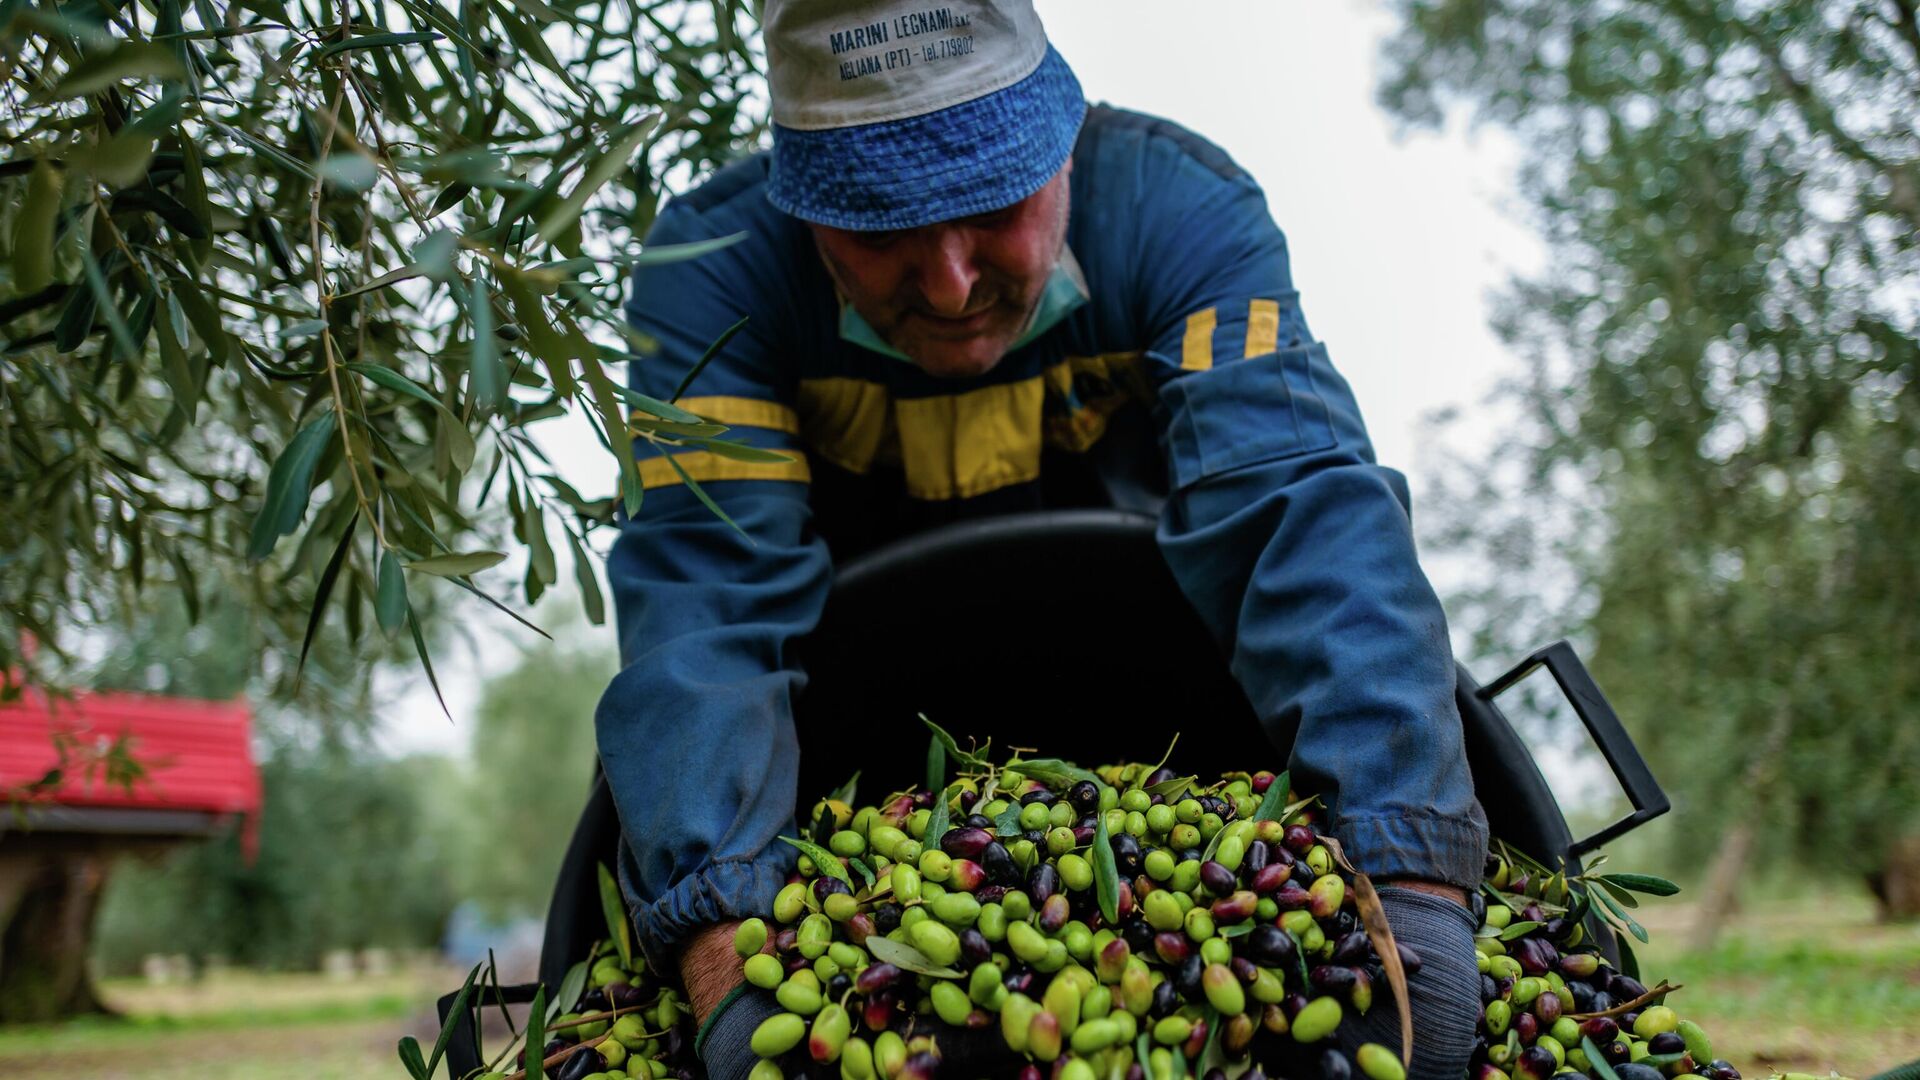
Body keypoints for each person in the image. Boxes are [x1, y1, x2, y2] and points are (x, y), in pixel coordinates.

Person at [597, 2, 1489, 1076]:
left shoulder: (1174, 211)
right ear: (800, 203)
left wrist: (1410, 876)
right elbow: (705, 597)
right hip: (849, 726)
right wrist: (728, 963)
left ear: (1063, 138)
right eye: (877, 232)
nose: (951, 284)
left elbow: (1299, 519)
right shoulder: (718, 273)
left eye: (993, 207)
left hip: (1169, 686)